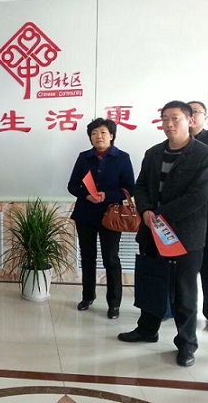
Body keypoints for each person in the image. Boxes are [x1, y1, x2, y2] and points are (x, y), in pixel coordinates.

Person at [118, 101, 208, 368]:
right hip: (152, 231)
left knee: (184, 291)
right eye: (164, 119)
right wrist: (146, 210)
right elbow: (140, 186)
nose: (169, 124)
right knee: (152, 283)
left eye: (175, 118)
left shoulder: (205, 155)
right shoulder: (153, 153)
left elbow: (197, 196)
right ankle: (147, 329)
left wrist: (159, 215)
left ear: (190, 120)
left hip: (186, 235)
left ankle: (186, 344)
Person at [67, 118, 135, 319]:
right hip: (86, 214)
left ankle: (114, 303)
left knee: (111, 259)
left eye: (103, 132)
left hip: (111, 215)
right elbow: (72, 185)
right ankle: (88, 296)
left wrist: (108, 195)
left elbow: (129, 188)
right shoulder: (84, 157)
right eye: (94, 133)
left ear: (111, 135)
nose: (99, 136)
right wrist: (86, 195)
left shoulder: (122, 158)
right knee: (87, 258)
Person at [188, 100, 208, 333]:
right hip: (181, 212)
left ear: (205, 116)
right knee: (180, 266)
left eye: (196, 112)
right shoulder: (173, 143)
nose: (191, 116)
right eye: (187, 112)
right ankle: (175, 309)